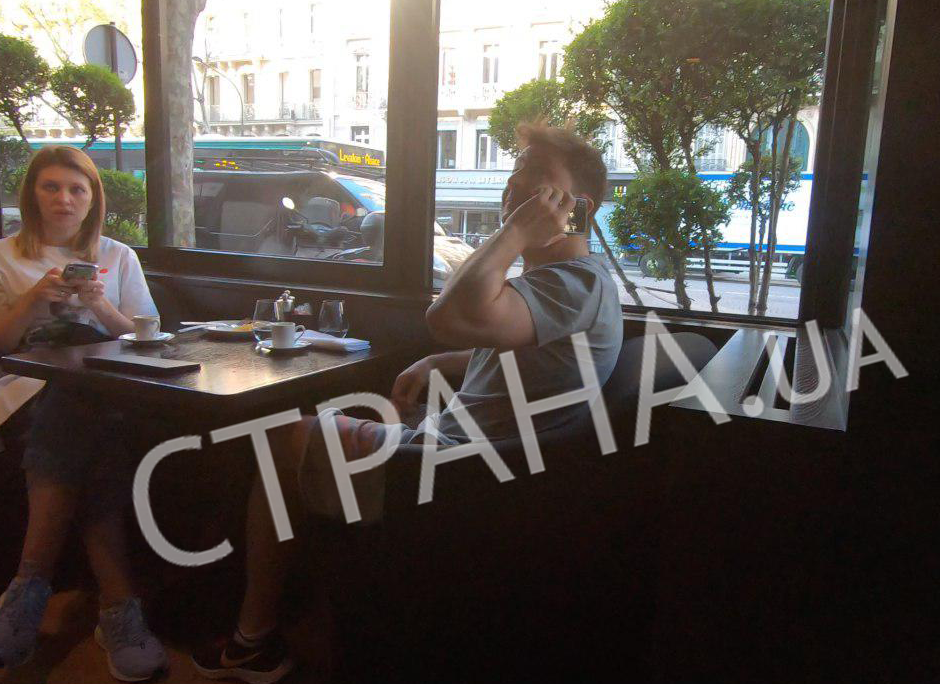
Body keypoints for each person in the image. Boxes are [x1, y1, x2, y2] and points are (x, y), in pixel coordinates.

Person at [191, 122, 623, 682]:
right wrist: (437, 364)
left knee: (281, 439)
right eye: (515, 174)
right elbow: (529, 350)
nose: (515, 188)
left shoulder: (573, 283)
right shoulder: (567, 285)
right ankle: (306, 614)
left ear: (579, 208)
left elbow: (447, 317)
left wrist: (514, 232)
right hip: (465, 456)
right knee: (340, 420)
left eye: (537, 178)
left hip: (453, 476)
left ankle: (253, 638)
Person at [0, 146, 168, 681]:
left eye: (77, 189)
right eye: (51, 187)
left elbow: (147, 337)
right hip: (25, 385)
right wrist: (32, 301)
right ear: (32, 195)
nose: (65, 198)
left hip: (105, 385)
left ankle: (26, 591)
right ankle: (120, 608)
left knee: (81, 405)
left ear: (93, 198)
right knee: (81, 415)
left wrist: (99, 304)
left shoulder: (118, 255)